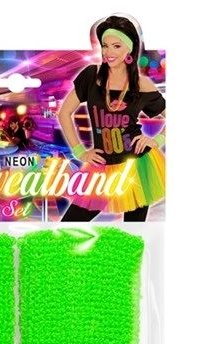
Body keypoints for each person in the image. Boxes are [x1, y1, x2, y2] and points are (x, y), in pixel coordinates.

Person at [58, 15, 166, 222]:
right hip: (101, 167)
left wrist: (157, 139)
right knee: (69, 226)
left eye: (116, 46)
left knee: (134, 230)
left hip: (137, 166)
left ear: (130, 49)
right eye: (105, 46)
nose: (108, 52)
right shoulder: (92, 76)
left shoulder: (142, 85)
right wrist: (80, 151)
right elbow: (64, 113)